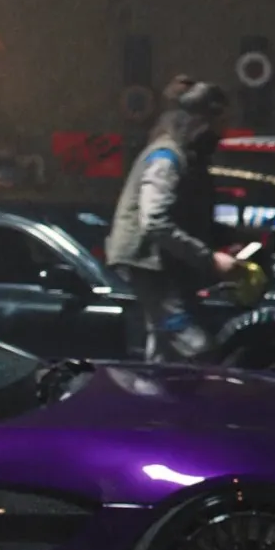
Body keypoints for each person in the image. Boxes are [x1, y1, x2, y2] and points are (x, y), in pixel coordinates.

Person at [104, 75, 236, 363]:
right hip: (149, 261)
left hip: (162, 262)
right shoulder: (167, 157)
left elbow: (188, 215)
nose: (223, 133)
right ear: (200, 122)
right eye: (219, 124)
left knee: (163, 344)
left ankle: (154, 388)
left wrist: (232, 238)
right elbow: (155, 222)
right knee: (196, 347)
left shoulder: (185, 157)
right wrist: (209, 258)